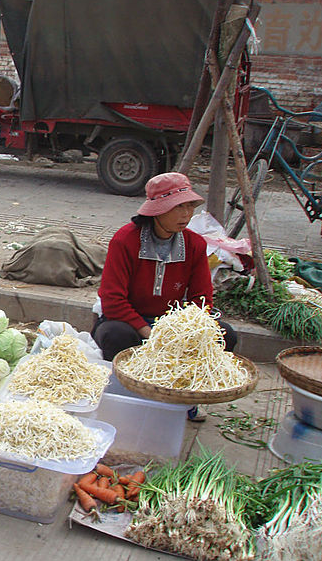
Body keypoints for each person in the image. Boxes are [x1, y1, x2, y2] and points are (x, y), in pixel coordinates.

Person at [91, 172, 237, 422]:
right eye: (178, 207)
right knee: (117, 337)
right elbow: (112, 299)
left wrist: (184, 333)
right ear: (157, 210)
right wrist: (151, 333)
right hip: (128, 321)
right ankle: (127, 397)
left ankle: (185, 398)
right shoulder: (126, 240)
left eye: (189, 206)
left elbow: (202, 298)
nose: (186, 215)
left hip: (172, 324)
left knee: (225, 335)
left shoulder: (194, 245)